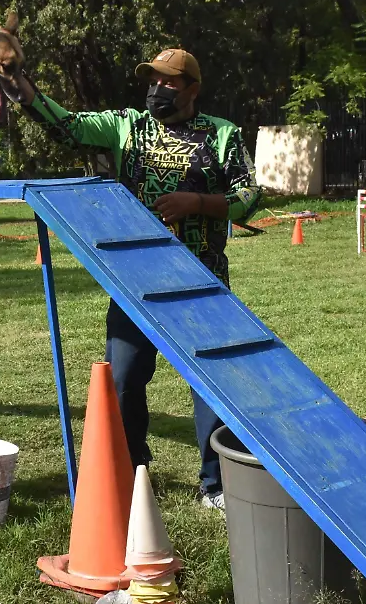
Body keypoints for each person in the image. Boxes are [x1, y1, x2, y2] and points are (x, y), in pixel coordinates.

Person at [15, 48, 261, 510]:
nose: (156, 89)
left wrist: (197, 203)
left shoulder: (222, 134)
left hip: (201, 279)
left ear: (192, 89)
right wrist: (22, 87)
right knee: (125, 375)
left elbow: (249, 194)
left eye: (168, 82)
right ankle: (130, 471)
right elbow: (66, 126)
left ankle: (215, 484)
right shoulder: (126, 127)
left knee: (209, 383)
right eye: (151, 79)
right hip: (134, 279)